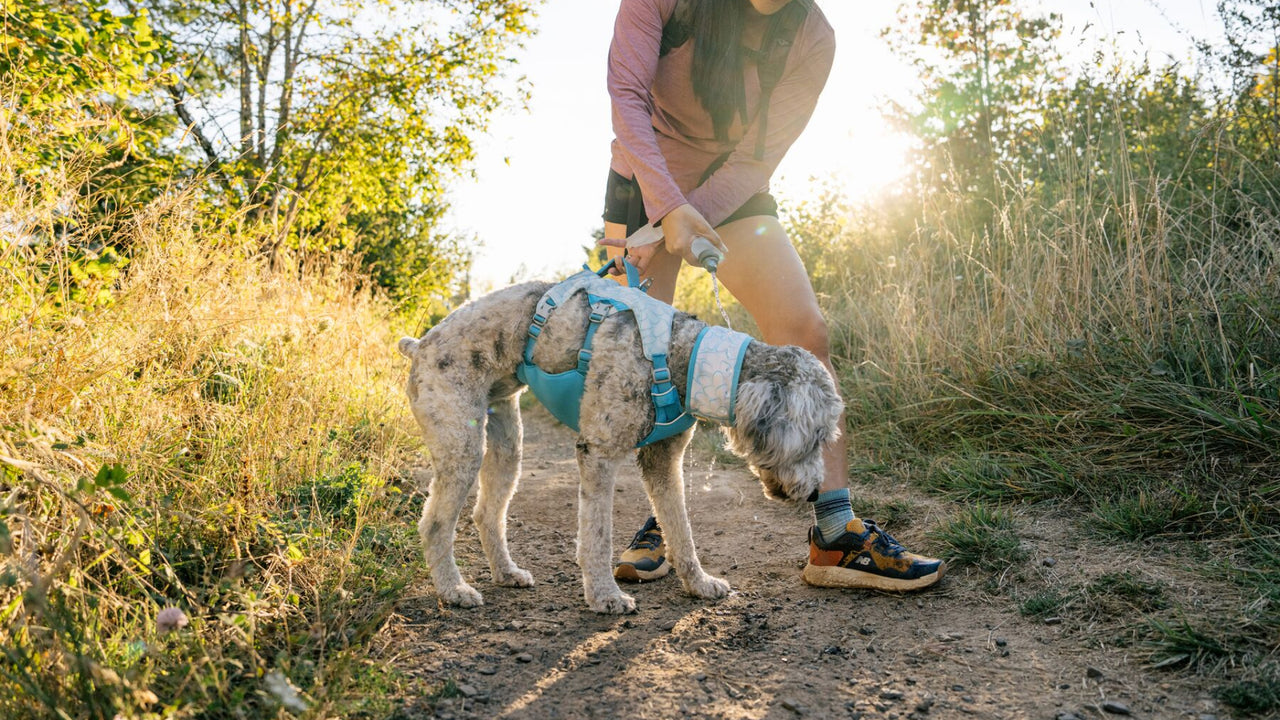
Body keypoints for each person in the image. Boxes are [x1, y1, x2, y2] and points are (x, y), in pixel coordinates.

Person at [600, 0, 945, 592]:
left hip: (733, 187)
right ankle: (661, 523)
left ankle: (835, 534)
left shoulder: (812, 37)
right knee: (648, 353)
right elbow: (626, 99)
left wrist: (689, 218)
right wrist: (661, 212)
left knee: (806, 331)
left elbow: (757, 157)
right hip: (644, 176)